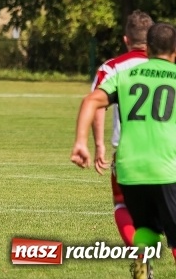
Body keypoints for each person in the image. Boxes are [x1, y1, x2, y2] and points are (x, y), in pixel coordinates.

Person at [71, 22, 176, 279]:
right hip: (167, 165)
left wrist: (81, 142)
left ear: (148, 48)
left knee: (141, 225)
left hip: (129, 167)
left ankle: (142, 265)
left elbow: (91, 100)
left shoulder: (125, 76)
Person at [90, 10, 153, 247]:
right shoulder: (169, 69)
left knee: (122, 203)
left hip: (129, 152)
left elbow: (97, 106)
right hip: (168, 152)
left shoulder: (111, 68)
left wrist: (99, 146)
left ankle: (140, 256)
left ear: (126, 39)